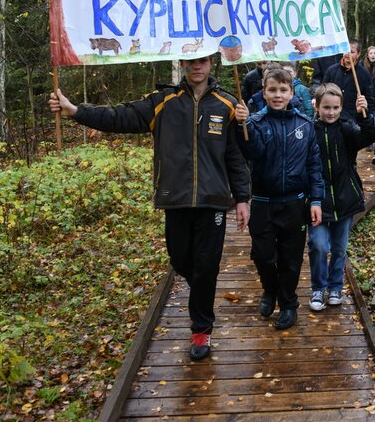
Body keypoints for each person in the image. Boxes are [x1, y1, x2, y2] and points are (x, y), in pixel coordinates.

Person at [49, 53, 251, 361]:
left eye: (203, 61)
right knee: (181, 260)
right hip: (175, 198)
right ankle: (200, 287)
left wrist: (243, 198)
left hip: (213, 200)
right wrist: (76, 111)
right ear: (182, 64)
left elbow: (235, 156)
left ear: (212, 63)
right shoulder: (163, 102)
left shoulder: (228, 105)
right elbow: (119, 116)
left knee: (207, 266)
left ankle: (201, 329)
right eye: (191, 61)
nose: (197, 66)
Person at [234, 67, 324, 331]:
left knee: (291, 259)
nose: (277, 95)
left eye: (283, 90)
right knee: (263, 255)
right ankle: (269, 290)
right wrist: (242, 126)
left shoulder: (305, 124)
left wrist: (316, 200)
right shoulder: (255, 123)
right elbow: (252, 152)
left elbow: (314, 165)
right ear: (264, 92)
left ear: (291, 93)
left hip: (294, 202)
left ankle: (288, 304)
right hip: (263, 202)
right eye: (272, 90)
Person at [308, 85, 375, 311]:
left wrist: (363, 115)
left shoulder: (347, 128)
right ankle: (318, 287)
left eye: (335, 108)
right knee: (318, 245)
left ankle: (335, 286)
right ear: (317, 107)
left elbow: (367, 137)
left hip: (345, 197)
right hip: (317, 199)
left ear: (341, 107)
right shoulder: (310, 130)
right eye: (326, 107)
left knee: (339, 247)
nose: (331, 112)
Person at [322, 40, 374, 120]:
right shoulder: (331, 70)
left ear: (358, 54)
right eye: (345, 50)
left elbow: (369, 99)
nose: (347, 54)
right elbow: (323, 91)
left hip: (353, 120)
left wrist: (366, 114)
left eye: (351, 52)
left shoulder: (364, 74)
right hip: (333, 117)